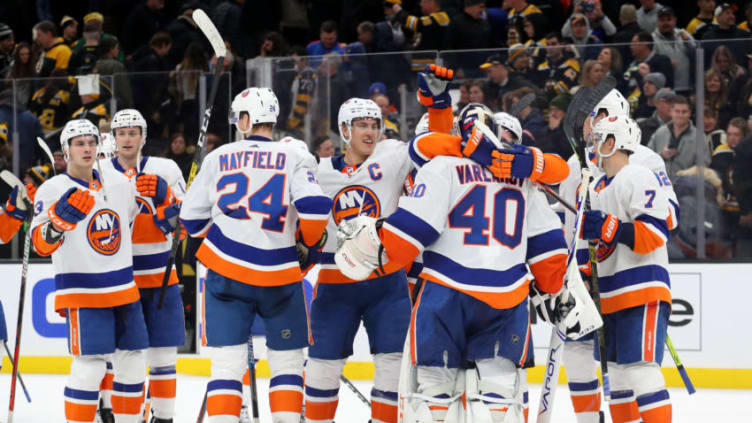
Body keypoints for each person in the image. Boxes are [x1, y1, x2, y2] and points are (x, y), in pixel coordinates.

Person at [333, 104, 570, 423]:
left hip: (445, 297)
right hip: (507, 301)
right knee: (498, 396)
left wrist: (374, 244)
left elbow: (406, 240)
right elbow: (550, 250)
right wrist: (551, 287)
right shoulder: (523, 178)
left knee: (433, 395)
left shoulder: (443, 167)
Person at [180, 87, 332, 423]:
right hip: (280, 275)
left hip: (226, 276)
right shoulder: (295, 156)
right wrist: (307, 247)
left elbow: (190, 220)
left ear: (247, 119)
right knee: (288, 366)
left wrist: (220, 237)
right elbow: (317, 207)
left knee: (227, 368)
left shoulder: (217, 156)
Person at [557, 90, 678, 423]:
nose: (593, 140)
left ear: (616, 137)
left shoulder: (640, 171)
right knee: (618, 374)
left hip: (638, 287)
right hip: (601, 292)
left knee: (639, 370)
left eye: (600, 135)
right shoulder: (593, 182)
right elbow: (584, 238)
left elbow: (658, 230)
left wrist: (611, 227)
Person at [30, 119, 148, 423]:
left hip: (123, 287)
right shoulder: (53, 188)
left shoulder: (121, 183)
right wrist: (57, 224)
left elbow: (131, 223)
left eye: (91, 142)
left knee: (134, 362)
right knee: (90, 366)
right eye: (79, 143)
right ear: (65, 150)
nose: (87, 148)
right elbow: (39, 245)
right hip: (83, 291)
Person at [100, 109, 186, 423]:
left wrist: (165, 202)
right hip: (120, 281)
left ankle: (164, 418)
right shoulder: (101, 173)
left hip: (161, 277)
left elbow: (185, 223)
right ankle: (122, 414)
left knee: (163, 358)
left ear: (143, 136)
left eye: (133, 132)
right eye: (121, 133)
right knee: (124, 360)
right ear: (113, 138)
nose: (127, 139)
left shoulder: (165, 169)